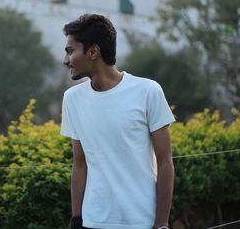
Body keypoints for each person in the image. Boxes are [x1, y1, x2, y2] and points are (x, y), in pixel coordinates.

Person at [60, 14, 175, 229]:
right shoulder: (72, 99)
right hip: (93, 222)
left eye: (70, 51)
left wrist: (161, 223)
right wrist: (76, 220)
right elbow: (79, 163)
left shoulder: (148, 91)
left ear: (93, 51)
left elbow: (165, 162)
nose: (65, 60)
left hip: (141, 222)